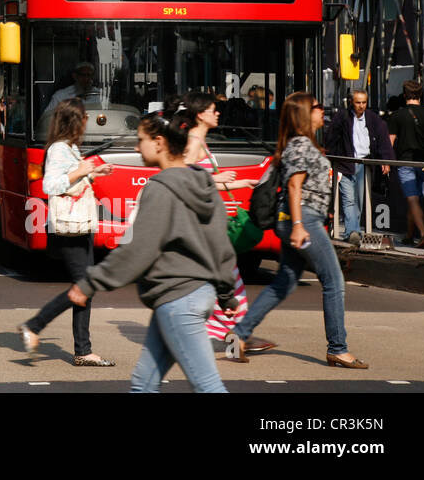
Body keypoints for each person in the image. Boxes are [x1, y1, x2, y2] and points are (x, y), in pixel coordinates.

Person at [68, 111, 239, 392]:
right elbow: (220, 245)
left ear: (159, 142)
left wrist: (89, 283)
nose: (137, 147)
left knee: (208, 386)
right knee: (143, 385)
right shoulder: (206, 185)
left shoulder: (159, 189)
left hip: (177, 299)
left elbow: (138, 249)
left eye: (141, 140)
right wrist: (226, 294)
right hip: (195, 294)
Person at [228, 93, 367, 368]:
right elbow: (294, 185)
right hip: (303, 219)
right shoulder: (302, 144)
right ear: (304, 113)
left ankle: (239, 336)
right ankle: (337, 348)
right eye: (316, 107)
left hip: (297, 218)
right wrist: (299, 225)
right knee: (334, 280)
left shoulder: (296, 144)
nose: (321, 111)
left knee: (284, 282)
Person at [19, 98, 115, 366]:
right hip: (70, 229)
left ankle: (82, 349)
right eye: (84, 117)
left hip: (81, 225)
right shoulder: (59, 149)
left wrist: (94, 172)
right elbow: (50, 185)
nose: (87, 122)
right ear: (75, 121)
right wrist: (81, 171)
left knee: (87, 286)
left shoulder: (71, 148)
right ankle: (35, 326)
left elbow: (74, 178)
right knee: (84, 286)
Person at [165, 91, 260, 349]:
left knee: (221, 282)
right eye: (212, 109)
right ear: (200, 115)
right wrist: (216, 180)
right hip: (200, 223)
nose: (218, 113)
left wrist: (241, 182)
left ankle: (231, 338)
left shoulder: (201, 141)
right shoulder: (194, 142)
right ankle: (236, 336)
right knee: (230, 282)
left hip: (206, 221)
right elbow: (182, 178)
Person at [323, 89, 394, 244]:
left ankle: (354, 230)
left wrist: (386, 159)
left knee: (359, 200)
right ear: (351, 102)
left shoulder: (373, 119)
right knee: (348, 199)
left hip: (363, 164)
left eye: (364, 102)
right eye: (358, 102)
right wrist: (332, 158)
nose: (361, 106)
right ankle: (352, 232)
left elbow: (383, 140)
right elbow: (330, 138)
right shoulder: (343, 117)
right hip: (345, 163)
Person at [386, 79, 424, 248]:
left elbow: (389, 142)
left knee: (412, 200)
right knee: (420, 200)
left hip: (405, 162)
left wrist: (387, 162)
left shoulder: (397, 116)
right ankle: (410, 234)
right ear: (420, 95)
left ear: (404, 95)